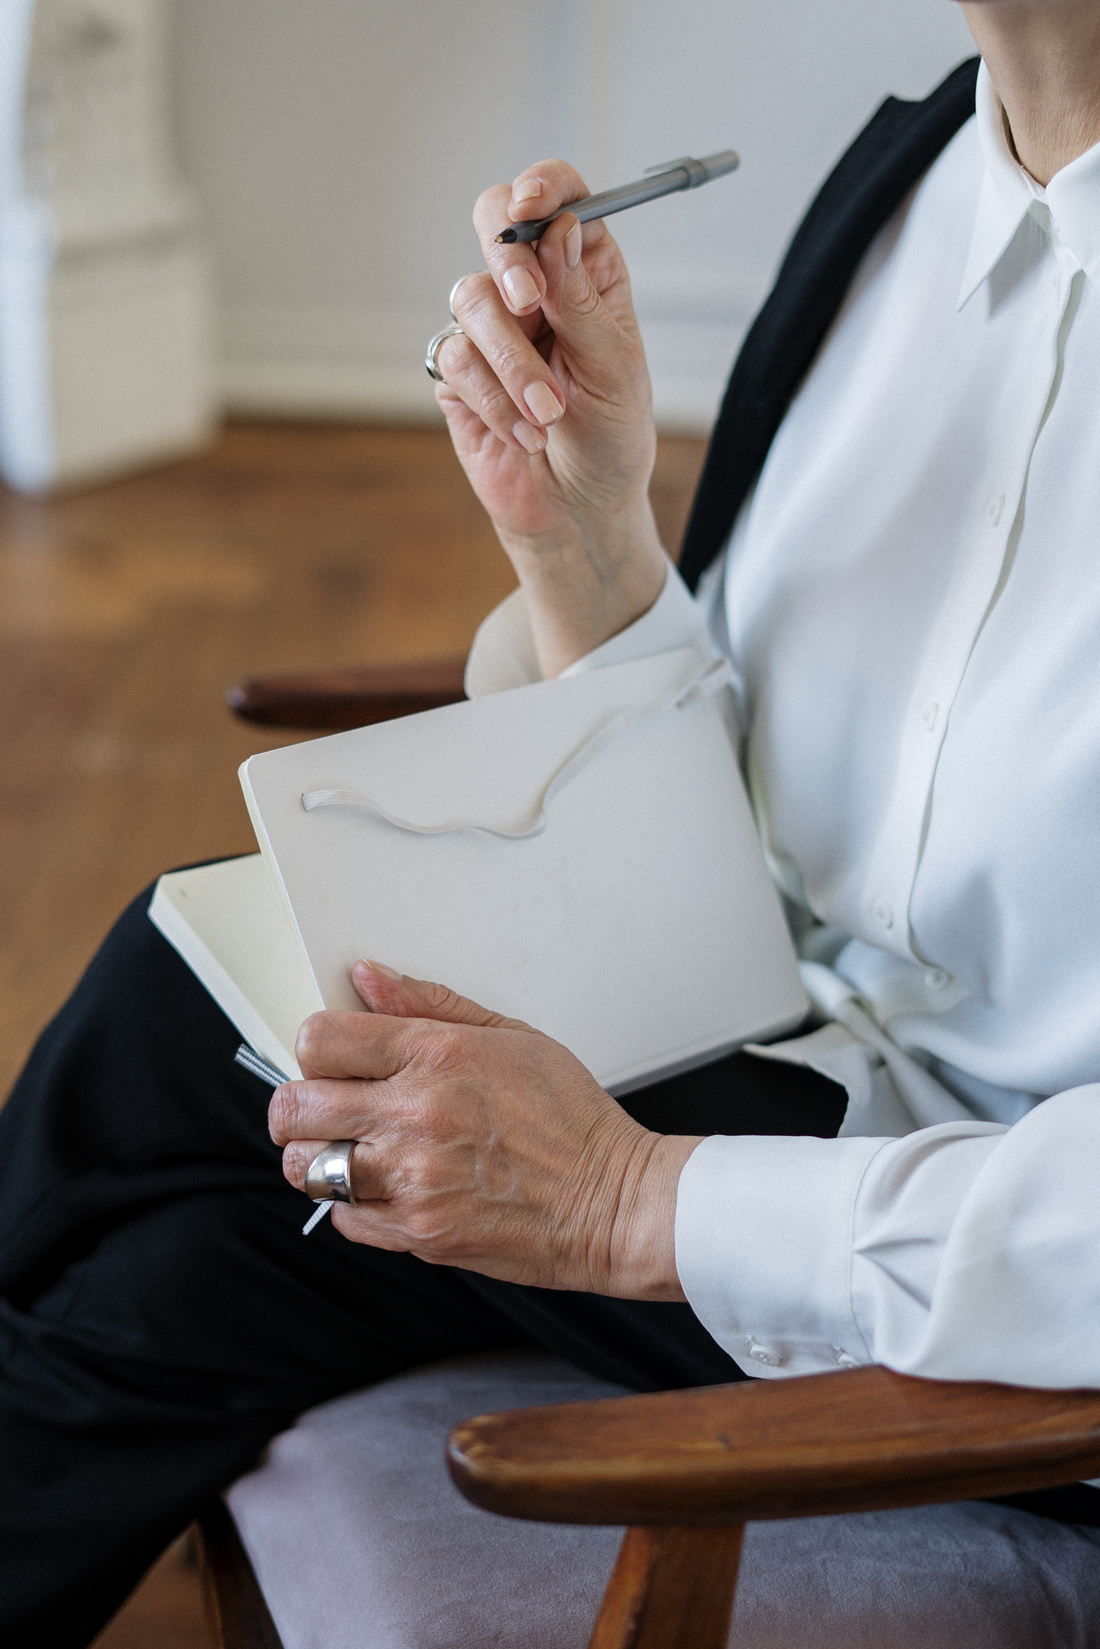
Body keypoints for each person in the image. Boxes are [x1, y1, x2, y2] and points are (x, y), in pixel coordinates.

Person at [3, 1, 1100, 1641]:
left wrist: (623, 1199)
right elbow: (800, 830)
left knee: (203, 1120)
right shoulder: (922, 177)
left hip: (995, 1257)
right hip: (803, 1076)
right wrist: (586, 542)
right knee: (197, 1116)